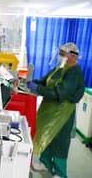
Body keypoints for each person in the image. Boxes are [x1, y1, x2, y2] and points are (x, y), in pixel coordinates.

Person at [27, 42, 85, 178]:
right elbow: (45, 80)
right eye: (60, 53)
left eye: (62, 54)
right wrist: (31, 82)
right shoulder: (59, 67)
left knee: (60, 142)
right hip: (49, 109)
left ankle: (60, 172)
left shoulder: (74, 72)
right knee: (47, 136)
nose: (60, 56)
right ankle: (45, 163)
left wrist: (38, 89)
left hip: (62, 113)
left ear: (72, 56)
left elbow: (59, 93)